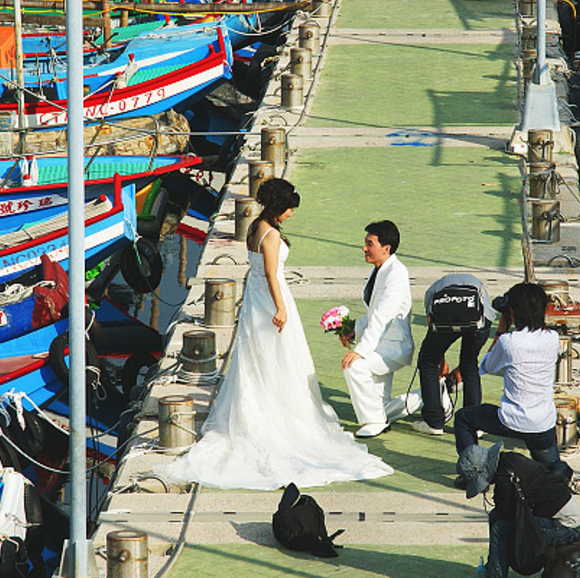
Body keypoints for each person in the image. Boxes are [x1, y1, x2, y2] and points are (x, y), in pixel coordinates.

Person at [156, 179, 392, 489]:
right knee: (278, 357)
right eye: (290, 209)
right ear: (280, 207)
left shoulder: (255, 227)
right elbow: (271, 274)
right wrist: (280, 308)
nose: (292, 214)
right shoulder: (272, 234)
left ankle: (261, 406)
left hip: (255, 300)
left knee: (258, 357)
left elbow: (257, 271)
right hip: (270, 301)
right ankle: (278, 416)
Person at [453, 281, 570, 483]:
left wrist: (501, 331)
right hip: (543, 422)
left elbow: (488, 366)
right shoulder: (552, 338)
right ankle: (556, 478)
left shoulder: (508, 342)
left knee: (464, 418)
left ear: (513, 312)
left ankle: (474, 474)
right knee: (551, 470)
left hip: (511, 420)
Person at [457, 441, 580, 578]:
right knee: (496, 517)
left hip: (567, 527)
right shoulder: (510, 459)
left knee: (501, 529)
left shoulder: (505, 478)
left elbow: (506, 512)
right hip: (559, 519)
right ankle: (492, 574)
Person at [340, 220, 414, 438]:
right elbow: (373, 314)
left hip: (394, 347)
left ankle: (374, 421)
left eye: (369, 244)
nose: (364, 248)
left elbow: (383, 316)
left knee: (354, 366)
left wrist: (360, 351)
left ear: (386, 248)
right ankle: (437, 393)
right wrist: (355, 331)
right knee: (381, 405)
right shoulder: (379, 270)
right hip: (380, 343)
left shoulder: (397, 273)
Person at [410, 274, 494, 436]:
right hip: (479, 322)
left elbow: (432, 325)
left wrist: (440, 362)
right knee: (470, 365)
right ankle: (475, 425)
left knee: (427, 362)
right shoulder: (477, 285)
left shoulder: (432, 291)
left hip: (445, 321)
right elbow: (488, 313)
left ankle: (434, 421)